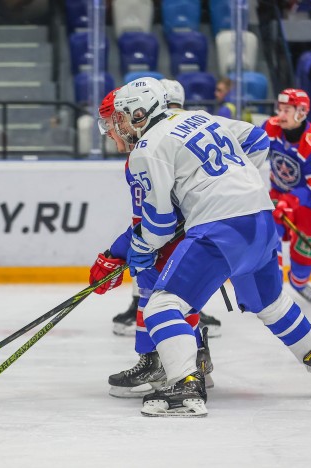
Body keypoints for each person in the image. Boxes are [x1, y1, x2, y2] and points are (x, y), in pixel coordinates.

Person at [105, 76, 311, 417]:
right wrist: (230, 185)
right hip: (262, 220)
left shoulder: (147, 148)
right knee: (272, 305)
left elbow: (160, 226)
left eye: (121, 116)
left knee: (161, 306)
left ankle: (186, 386)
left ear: (140, 112)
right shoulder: (201, 118)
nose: (117, 125)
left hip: (221, 229)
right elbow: (258, 139)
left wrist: (137, 250)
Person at [91, 82, 214, 398]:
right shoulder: (158, 144)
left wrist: (118, 252)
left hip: (181, 241)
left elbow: (153, 222)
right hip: (195, 238)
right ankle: (195, 359)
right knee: (171, 295)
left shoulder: (148, 151)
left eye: (112, 123)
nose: (110, 131)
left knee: (158, 293)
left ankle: (163, 364)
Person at [110, 79, 223, 338]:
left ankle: (192, 325)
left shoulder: (178, 133)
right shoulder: (145, 149)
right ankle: (145, 314)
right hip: (170, 221)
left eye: (175, 108)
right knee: (149, 260)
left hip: (199, 221)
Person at [263, 89, 311, 306]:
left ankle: (299, 282)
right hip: (278, 194)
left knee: (303, 260)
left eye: (287, 110)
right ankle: (273, 288)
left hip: (309, 207)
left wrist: (292, 202)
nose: (280, 115)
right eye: (280, 109)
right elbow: (249, 149)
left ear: (301, 112)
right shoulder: (271, 127)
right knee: (269, 229)